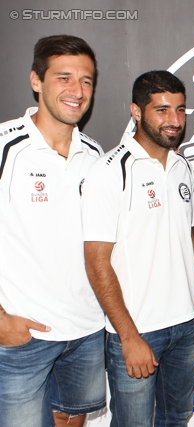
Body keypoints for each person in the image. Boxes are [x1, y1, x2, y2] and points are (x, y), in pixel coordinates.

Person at [82, 70, 194, 426]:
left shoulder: (182, 166)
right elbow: (96, 262)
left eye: (181, 110)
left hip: (185, 327)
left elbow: (190, 240)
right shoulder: (108, 171)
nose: (174, 121)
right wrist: (128, 336)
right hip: (138, 330)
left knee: (176, 419)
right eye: (162, 110)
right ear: (136, 112)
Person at [0, 35, 105, 427]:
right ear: (36, 81)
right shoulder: (6, 147)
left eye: (87, 81)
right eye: (64, 78)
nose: (77, 91)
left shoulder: (96, 156)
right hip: (23, 336)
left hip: (87, 330)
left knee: (72, 421)